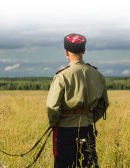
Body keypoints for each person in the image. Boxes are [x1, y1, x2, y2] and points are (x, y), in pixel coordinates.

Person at [46, 33, 109, 168]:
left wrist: (54, 123)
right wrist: (89, 118)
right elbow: (103, 104)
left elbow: (52, 106)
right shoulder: (97, 74)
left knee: (63, 165)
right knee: (88, 164)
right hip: (87, 128)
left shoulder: (62, 76)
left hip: (65, 130)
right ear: (84, 51)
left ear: (66, 52)